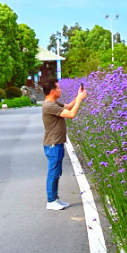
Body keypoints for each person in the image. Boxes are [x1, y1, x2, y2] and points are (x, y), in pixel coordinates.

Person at [41, 78, 86, 210]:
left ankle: (55, 198)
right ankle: (51, 200)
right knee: (53, 173)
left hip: (56, 143)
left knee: (57, 172)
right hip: (53, 144)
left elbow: (68, 107)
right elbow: (71, 114)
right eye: (58, 88)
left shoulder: (53, 104)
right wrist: (79, 99)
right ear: (52, 91)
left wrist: (78, 96)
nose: (60, 90)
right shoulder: (49, 106)